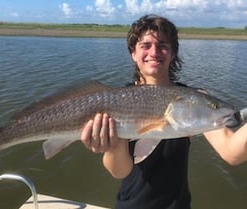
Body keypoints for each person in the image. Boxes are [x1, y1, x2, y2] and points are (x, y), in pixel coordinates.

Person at [80, 14, 247, 209]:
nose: (154, 52)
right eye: (145, 45)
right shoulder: (118, 100)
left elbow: (231, 152)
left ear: (173, 53)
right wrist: (113, 145)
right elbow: (120, 171)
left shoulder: (195, 98)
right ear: (133, 53)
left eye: (162, 45)